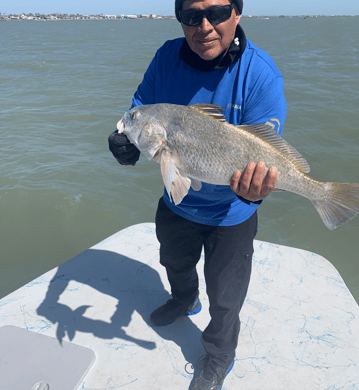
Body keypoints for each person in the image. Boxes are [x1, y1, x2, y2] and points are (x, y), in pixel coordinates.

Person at [108, 0, 286, 388]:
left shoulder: (261, 75)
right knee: (174, 262)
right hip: (177, 204)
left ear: (237, 13)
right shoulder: (166, 57)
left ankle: (219, 356)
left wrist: (255, 192)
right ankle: (184, 298)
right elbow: (139, 108)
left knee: (226, 297)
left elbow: (268, 148)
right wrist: (126, 141)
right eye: (190, 16)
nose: (203, 25)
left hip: (232, 215)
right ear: (180, 20)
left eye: (217, 12)